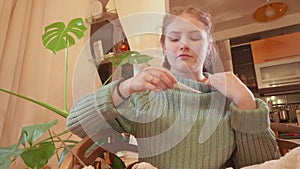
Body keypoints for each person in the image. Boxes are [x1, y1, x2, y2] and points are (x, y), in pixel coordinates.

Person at [67, 6, 281, 168]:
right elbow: (77, 123)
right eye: (174, 38)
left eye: (195, 37)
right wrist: (125, 88)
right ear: (164, 47)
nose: (183, 44)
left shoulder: (227, 98)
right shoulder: (145, 95)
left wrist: (246, 103)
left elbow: (262, 164)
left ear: (209, 47)